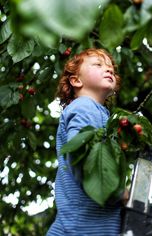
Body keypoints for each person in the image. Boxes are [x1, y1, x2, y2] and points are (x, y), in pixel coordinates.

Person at [46, 48, 123, 236]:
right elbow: (81, 156)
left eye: (111, 67)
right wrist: (118, 193)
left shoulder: (98, 113)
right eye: (98, 64)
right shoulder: (84, 107)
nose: (109, 69)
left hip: (77, 224)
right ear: (76, 80)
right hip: (85, 227)